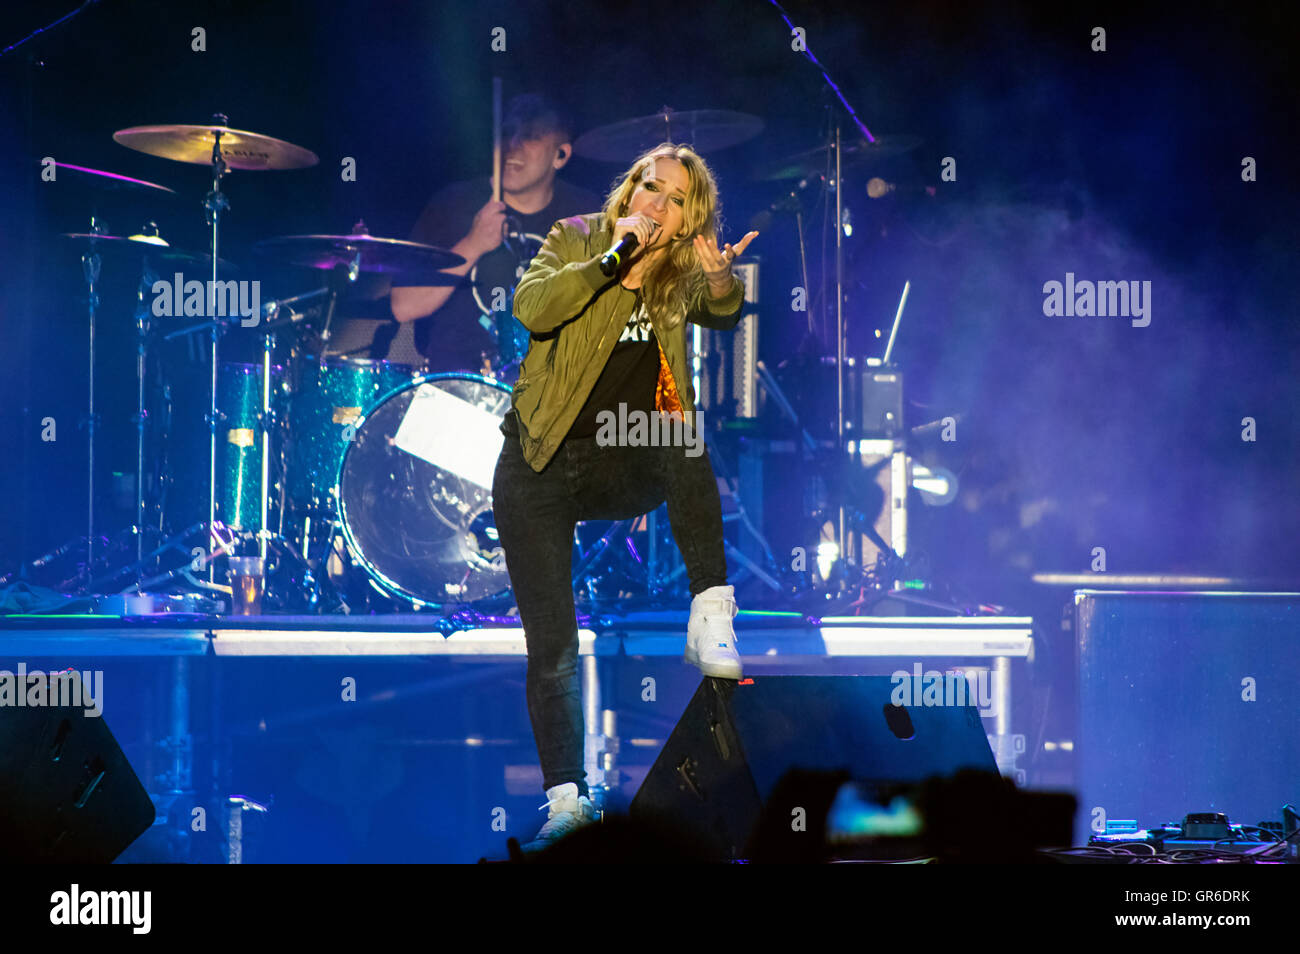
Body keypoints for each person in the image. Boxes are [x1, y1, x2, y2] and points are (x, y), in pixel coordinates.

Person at [491, 142, 759, 852]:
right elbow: (534, 306)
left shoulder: (678, 272)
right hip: (537, 463)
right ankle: (567, 800)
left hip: (619, 459)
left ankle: (711, 612)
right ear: (630, 189)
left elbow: (723, 311)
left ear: (686, 219)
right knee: (552, 646)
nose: (654, 203)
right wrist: (612, 260)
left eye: (674, 198)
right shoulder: (577, 235)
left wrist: (724, 278)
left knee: (681, 431)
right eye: (649, 186)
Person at [390, 94, 602, 374]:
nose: (512, 146)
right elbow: (404, 306)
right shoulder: (453, 203)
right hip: (458, 389)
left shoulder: (585, 213)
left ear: (560, 155)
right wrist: (473, 243)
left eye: (530, 137)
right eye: (506, 134)